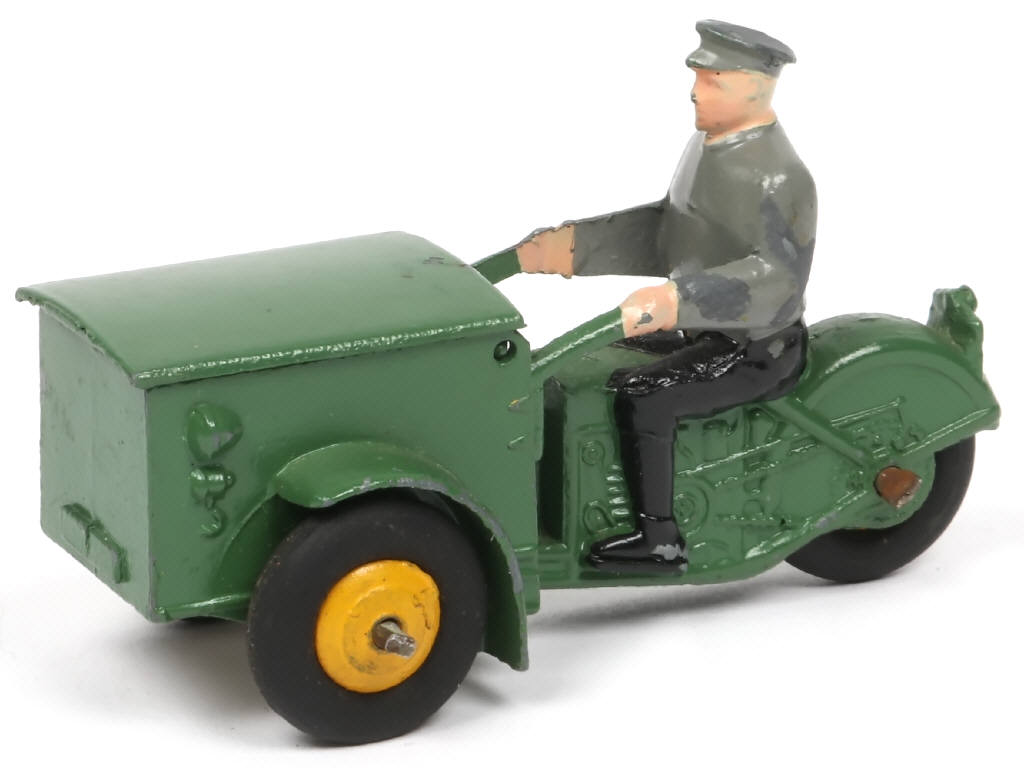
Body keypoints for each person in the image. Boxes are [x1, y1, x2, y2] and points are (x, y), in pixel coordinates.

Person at [515, 20, 817, 574]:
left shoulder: (779, 177)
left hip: (757, 349)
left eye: (713, 81)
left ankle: (660, 539)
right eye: (698, 78)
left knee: (643, 395)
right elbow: (669, 227)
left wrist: (679, 298)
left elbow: (778, 278)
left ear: (756, 88)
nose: (695, 92)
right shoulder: (710, 147)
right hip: (703, 330)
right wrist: (575, 249)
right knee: (586, 363)